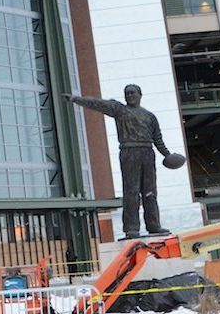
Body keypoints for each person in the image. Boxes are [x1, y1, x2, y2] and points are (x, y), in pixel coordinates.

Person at [66, 84, 184, 240]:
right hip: (129, 152)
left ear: (140, 95)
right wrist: (76, 99)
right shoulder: (120, 110)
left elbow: (158, 140)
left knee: (150, 192)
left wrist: (167, 155)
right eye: (127, 93)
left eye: (133, 93)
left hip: (147, 153)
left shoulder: (150, 116)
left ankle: (154, 226)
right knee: (131, 192)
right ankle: (131, 228)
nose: (130, 96)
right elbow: (97, 103)